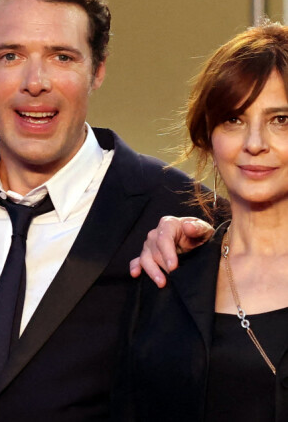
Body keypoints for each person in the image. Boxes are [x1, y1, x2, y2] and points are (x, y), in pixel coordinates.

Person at [0, 0, 208, 421]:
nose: (35, 82)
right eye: (10, 56)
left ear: (97, 70)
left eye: (62, 56)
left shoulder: (177, 209)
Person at [115, 23, 288, 421]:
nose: (255, 142)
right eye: (233, 119)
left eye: (280, 119)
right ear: (208, 137)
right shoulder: (166, 280)